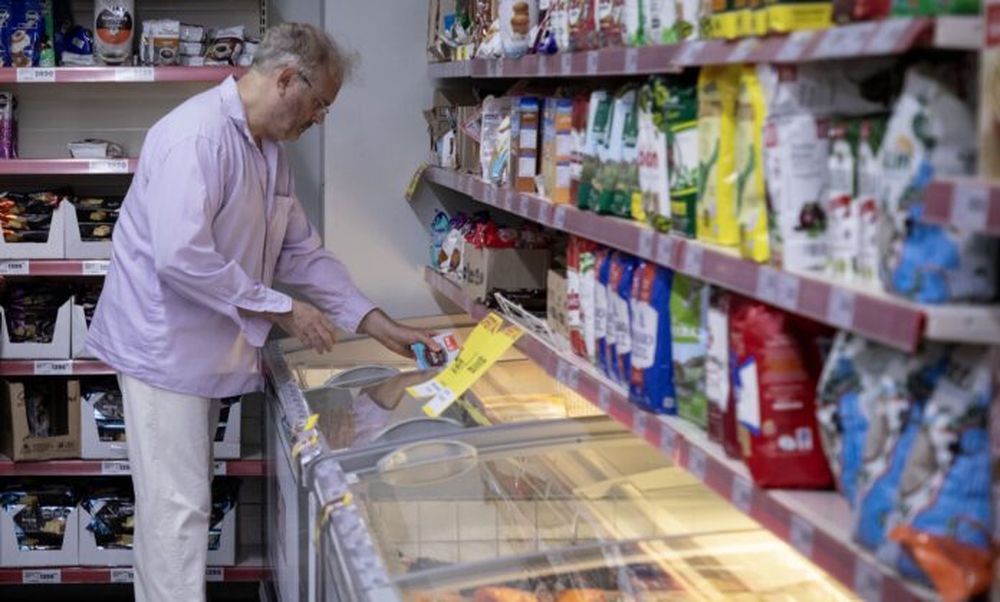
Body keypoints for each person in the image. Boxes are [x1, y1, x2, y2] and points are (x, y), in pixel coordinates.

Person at [86, 23, 437, 602]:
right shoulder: (196, 138)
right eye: (320, 104)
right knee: (176, 514)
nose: (320, 118)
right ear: (284, 80)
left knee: (184, 506)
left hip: (199, 352)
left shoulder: (267, 152)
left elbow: (302, 252)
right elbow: (181, 257)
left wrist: (377, 323)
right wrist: (283, 309)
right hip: (162, 350)